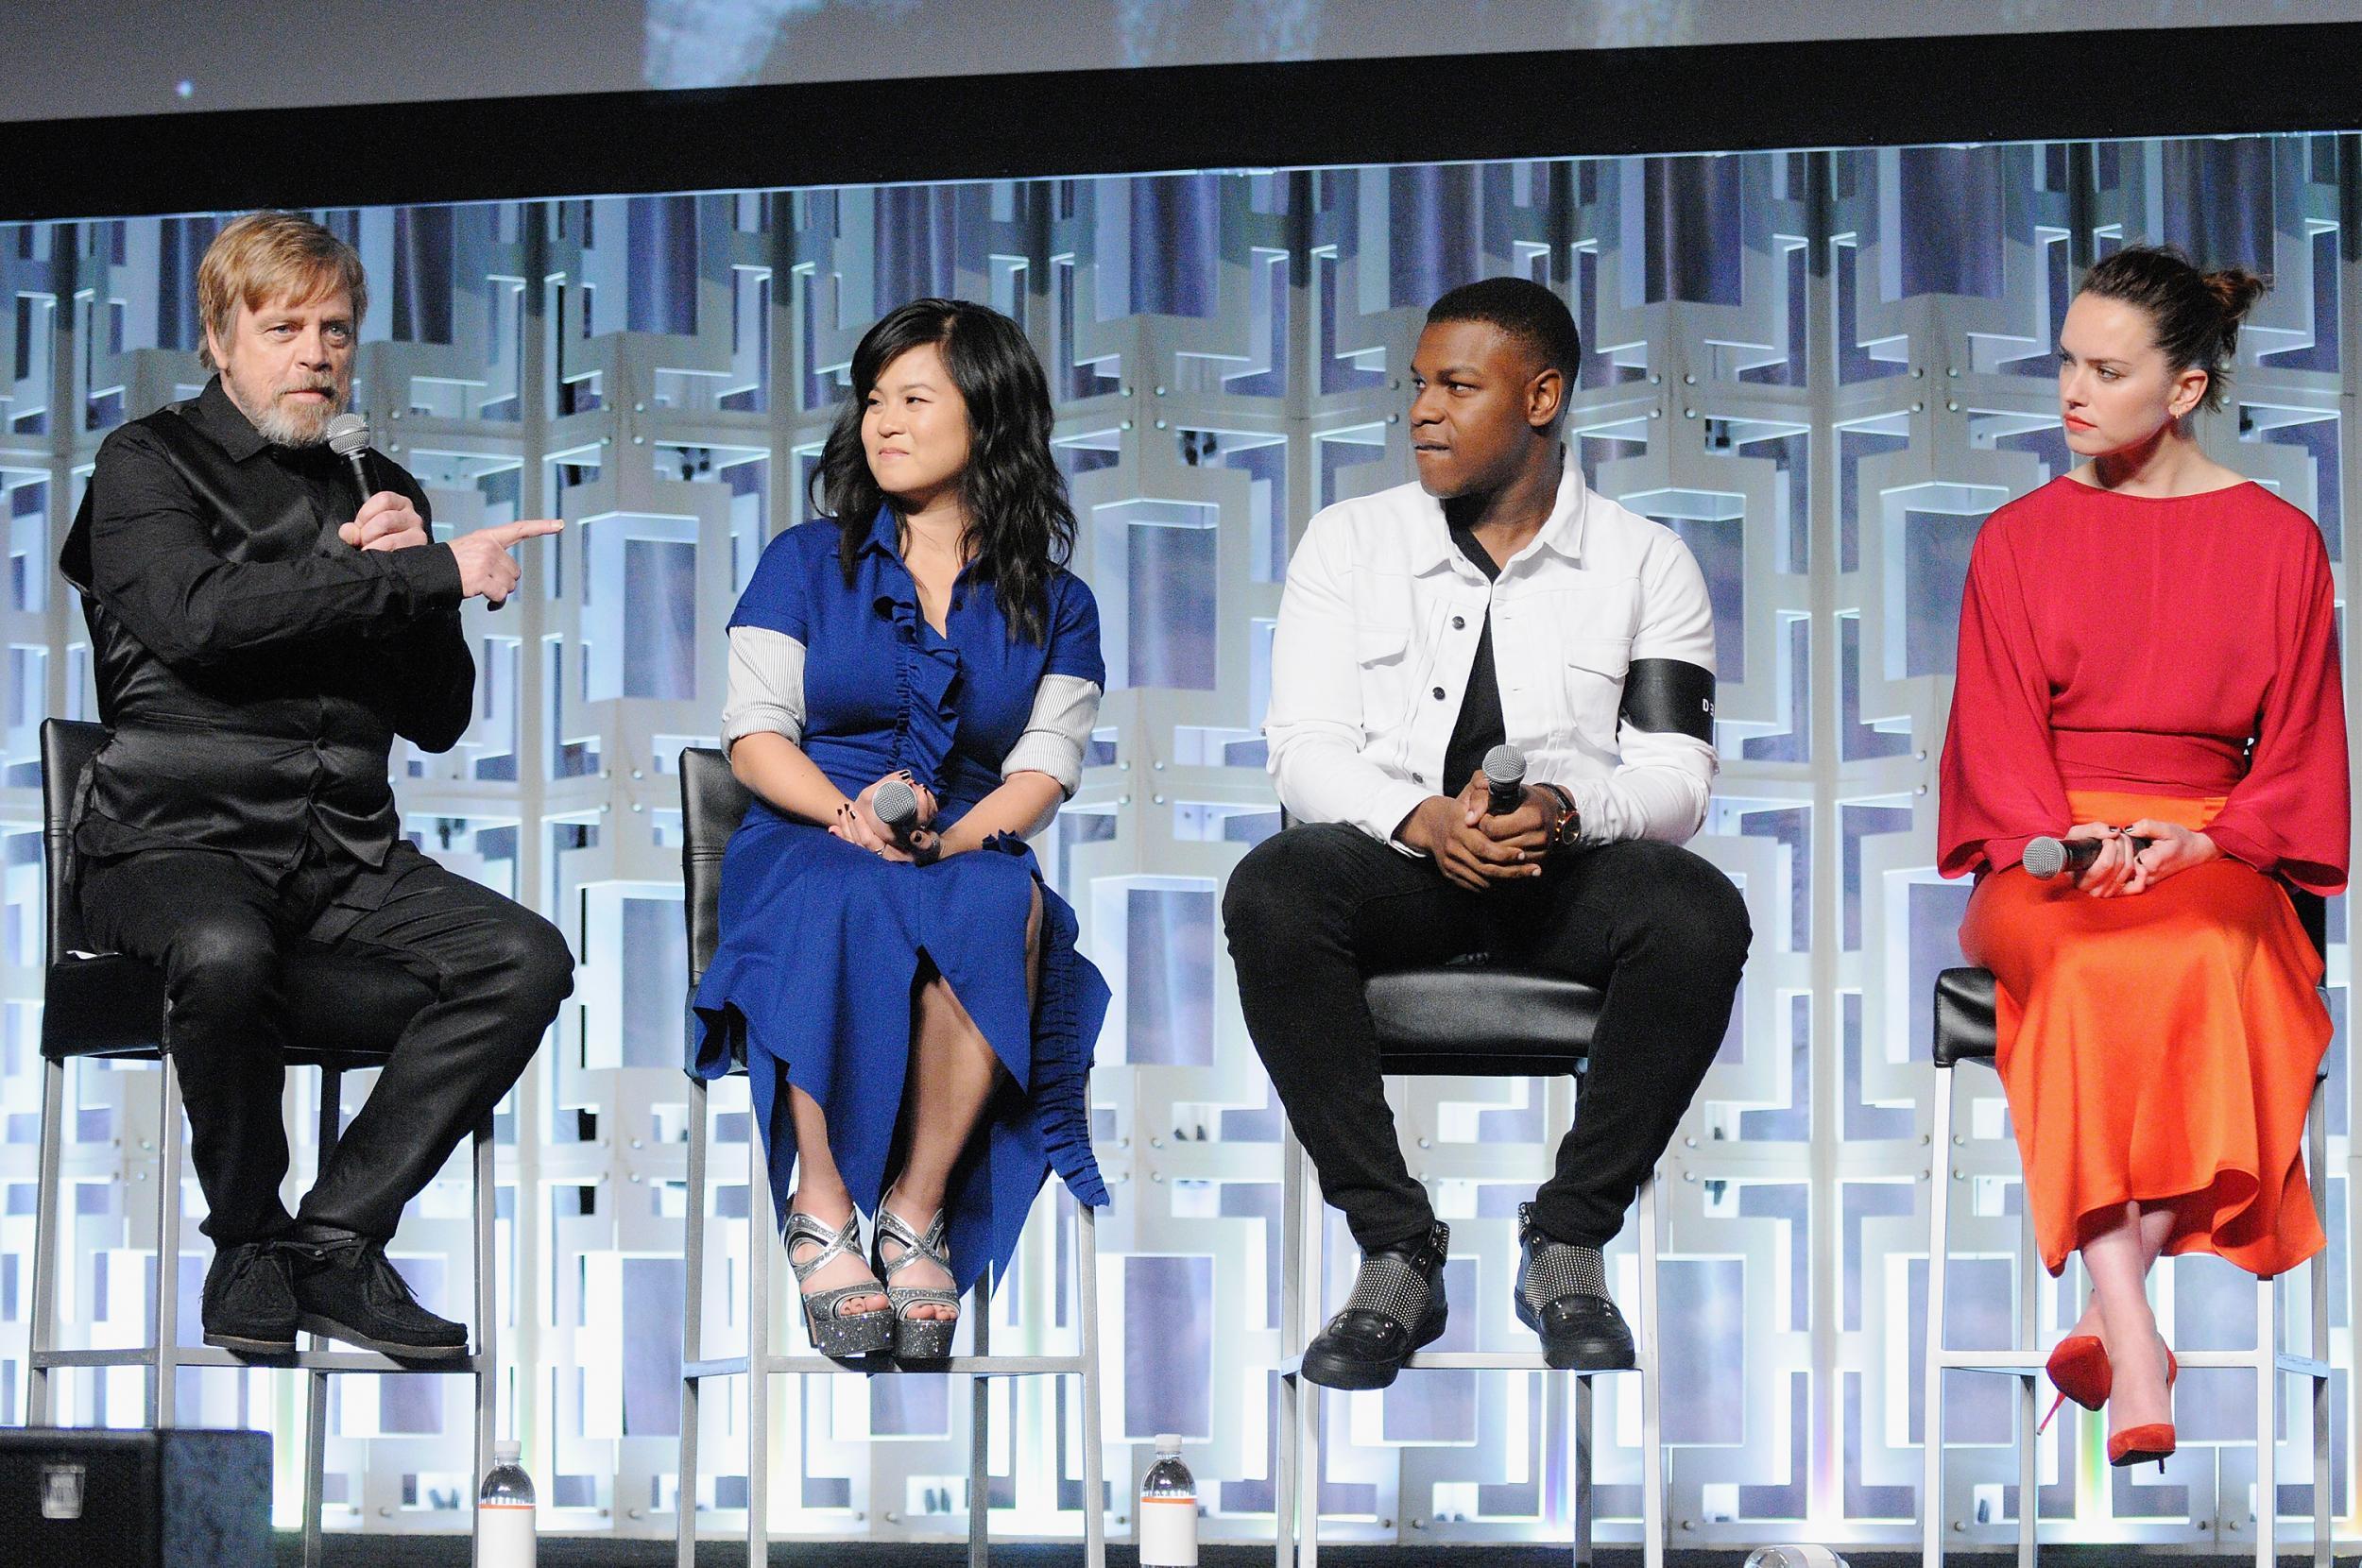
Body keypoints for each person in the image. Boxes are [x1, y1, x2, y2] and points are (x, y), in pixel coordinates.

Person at [57, 211, 574, 1358]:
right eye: (282, 326)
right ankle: (246, 1237)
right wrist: (409, 573)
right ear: (220, 338)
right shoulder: (149, 461)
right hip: (170, 843)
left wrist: (417, 582)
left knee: (524, 956)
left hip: (341, 854)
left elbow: (438, 716)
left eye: (334, 328)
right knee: (226, 953)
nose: (314, 353)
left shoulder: (374, 481)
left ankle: (333, 1241)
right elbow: (199, 622)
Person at [1223, 276, 1750, 1388]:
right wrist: (1417, 818)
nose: (1422, 410)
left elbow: (1675, 776)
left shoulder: (1645, 560)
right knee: (1273, 886)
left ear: (1543, 396)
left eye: (1456, 386)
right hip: (1399, 868)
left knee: (1697, 910)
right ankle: (1394, 1245)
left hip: (1564, 878)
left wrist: (1566, 809)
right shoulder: (1347, 543)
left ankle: (1568, 1237)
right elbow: (1303, 748)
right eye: (1418, 386)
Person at [1937, 246, 2348, 1469]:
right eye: (2065, 359)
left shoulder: (2280, 542)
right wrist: (2073, 844)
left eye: (2106, 370)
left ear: (2182, 390)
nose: (2071, 389)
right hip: (2047, 852)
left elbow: (2307, 749)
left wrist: (2206, 838)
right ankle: (2134, 1328)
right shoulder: (2015, 540)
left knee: (2216, 949)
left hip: (2214, 843)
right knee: (2077, 971)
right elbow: (1995, 741)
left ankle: (2120, 1328)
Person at [691, 298, 1108, 1360]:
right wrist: (846, 814)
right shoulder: (802, 560)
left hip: (958, 839)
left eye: (914, 399)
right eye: (873, 400)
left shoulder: (1057, 602)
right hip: (807, 828)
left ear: (989, 417)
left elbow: (1042, 770)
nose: (883, 421)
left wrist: (954, 839)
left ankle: (913, 1212)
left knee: (999, 897)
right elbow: (753, 736)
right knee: (843, 887)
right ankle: (820, 1205)